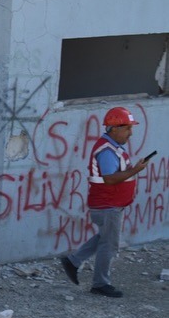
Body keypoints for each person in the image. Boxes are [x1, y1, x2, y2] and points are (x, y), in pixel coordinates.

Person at [60, 106, 152, 297]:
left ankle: (73, 261)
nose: (130, 133)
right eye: (127, 128)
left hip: (109, 204)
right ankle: (100, 284)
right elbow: (110, 178)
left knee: (104, 237)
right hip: (107, 204)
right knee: (109, 243)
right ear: (114, 128)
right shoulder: (107, 151)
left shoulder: (112, 147)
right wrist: (136, 170)